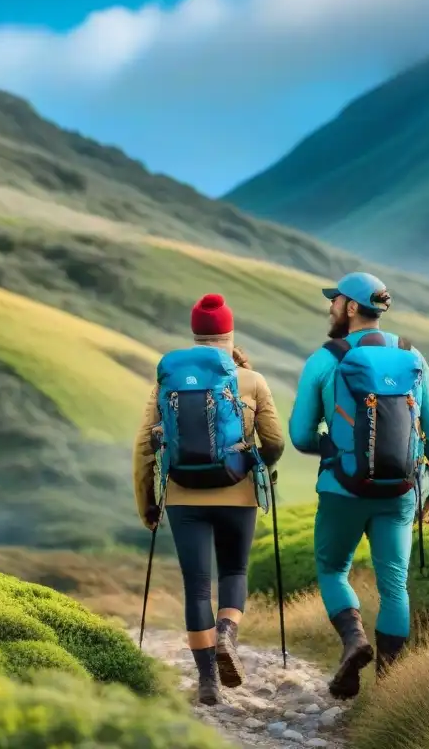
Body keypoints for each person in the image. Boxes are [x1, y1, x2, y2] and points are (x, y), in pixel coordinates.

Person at [288, 271, 429, 699]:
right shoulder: (412, 356)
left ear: (351, 307)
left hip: (341, 488)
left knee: (332, 570)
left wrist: (336, 449)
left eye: (335, 300)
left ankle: (353, 640)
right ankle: (388, 688)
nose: (331, 307)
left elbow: (301, 436)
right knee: (394, 585)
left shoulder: (325, 359)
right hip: (400, 491)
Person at [133, 293, 286, 706]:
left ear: (195, 335)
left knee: (197, 586)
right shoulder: (252, 381)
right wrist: (256, 464)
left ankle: (207, 683)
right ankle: (226, 635)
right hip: (238, 494)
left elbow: (145, 448)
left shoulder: (167, 382)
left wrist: (148, 503)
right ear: (229, 334)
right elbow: (274, 442)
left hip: (184, 497)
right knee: (234, 571)